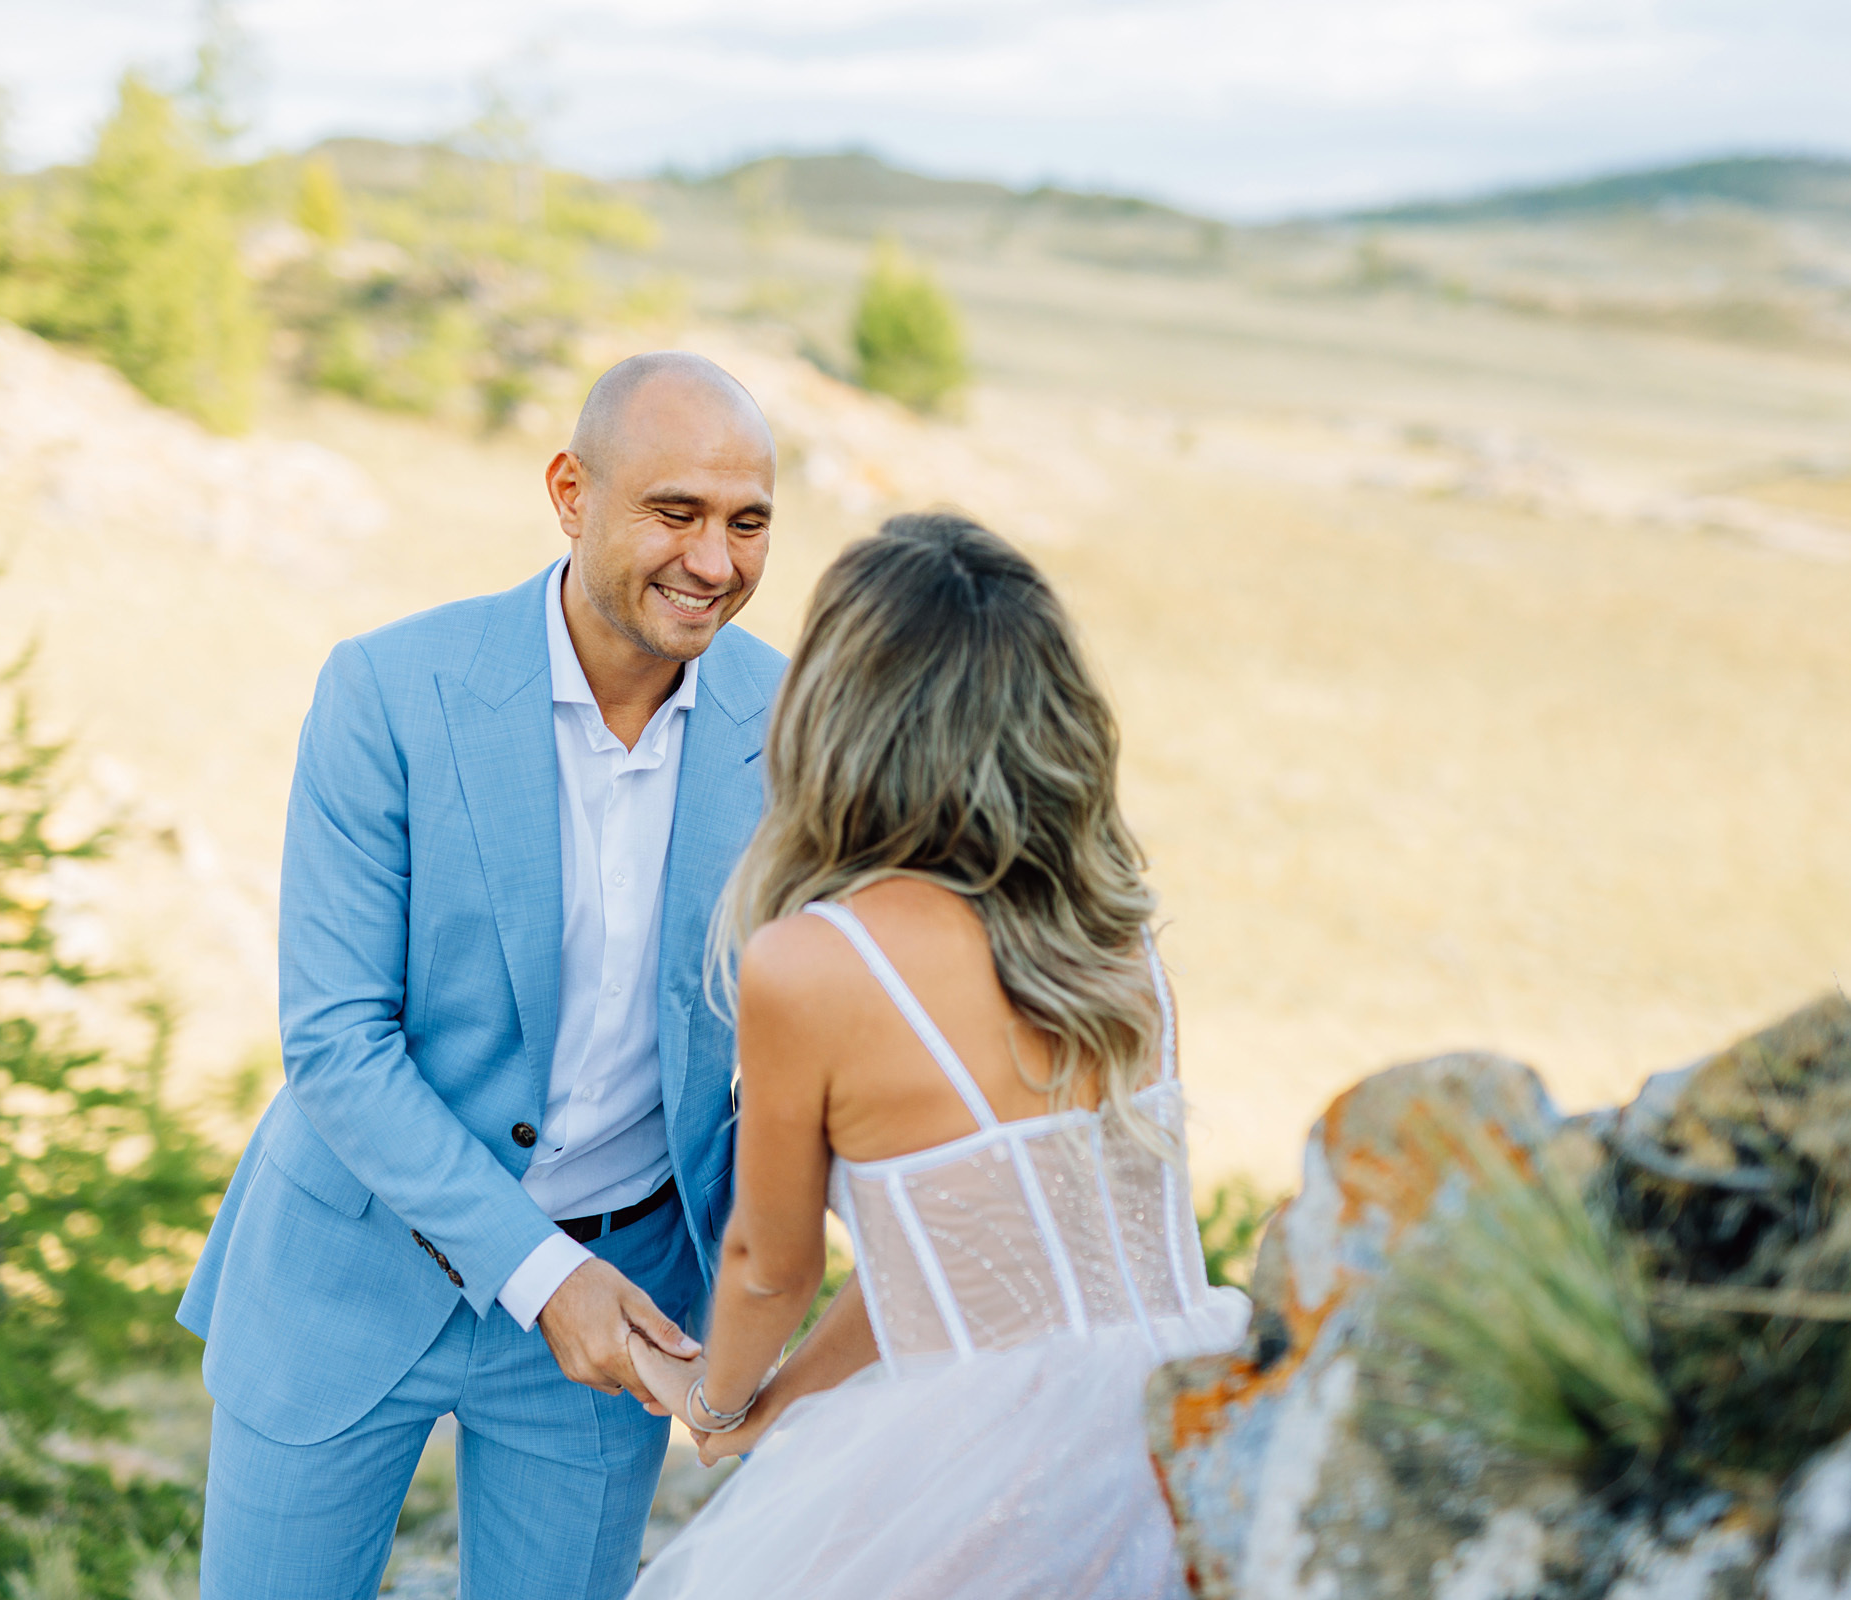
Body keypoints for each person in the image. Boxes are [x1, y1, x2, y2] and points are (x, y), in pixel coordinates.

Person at [176, 352, 786, 1600]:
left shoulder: (796, 721)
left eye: (748, 521)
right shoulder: (390, 693)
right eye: (675, 513)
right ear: (571, 492)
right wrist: (536, 1270)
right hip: (350, 1267)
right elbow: (339, 1043)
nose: (714, 562)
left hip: (627, 1300)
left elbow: (824, 1019)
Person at [626, 512, 1249, 1598]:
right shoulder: (1115, 932)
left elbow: (770, 1269)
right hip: (1190, 1411)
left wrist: (715, 1404)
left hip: (1001, 1472)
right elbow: (957, 1247)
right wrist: (777, 1410)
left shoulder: (812, 963)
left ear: (841, 709)